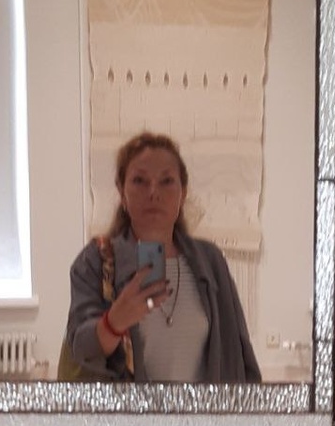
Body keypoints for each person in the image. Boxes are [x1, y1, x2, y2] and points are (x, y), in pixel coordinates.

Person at [65, 132, 261, 383]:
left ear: (183, 193)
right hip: (128, 409)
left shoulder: (210, 262)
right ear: (122, 193)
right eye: (139, 180)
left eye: (166, 181)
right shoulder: (97, 261)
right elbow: (80, 349)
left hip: (205, 409)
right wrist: (113, 323)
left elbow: (240, 355)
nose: (153, 192)